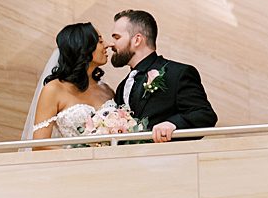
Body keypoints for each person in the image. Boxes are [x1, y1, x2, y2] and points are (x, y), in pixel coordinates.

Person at [108, 8, 218, 142]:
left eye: (117, 37)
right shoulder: (122, 86)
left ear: (137, 40)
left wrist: (172, 124)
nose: (111, 44)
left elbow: (204, 115)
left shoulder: (178, 73)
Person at [25, 22, 118, 141]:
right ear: (83, 47)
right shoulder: (53, 90)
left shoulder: (107, 90)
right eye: (100, 41)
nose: (107, 45)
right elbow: (40, 144)